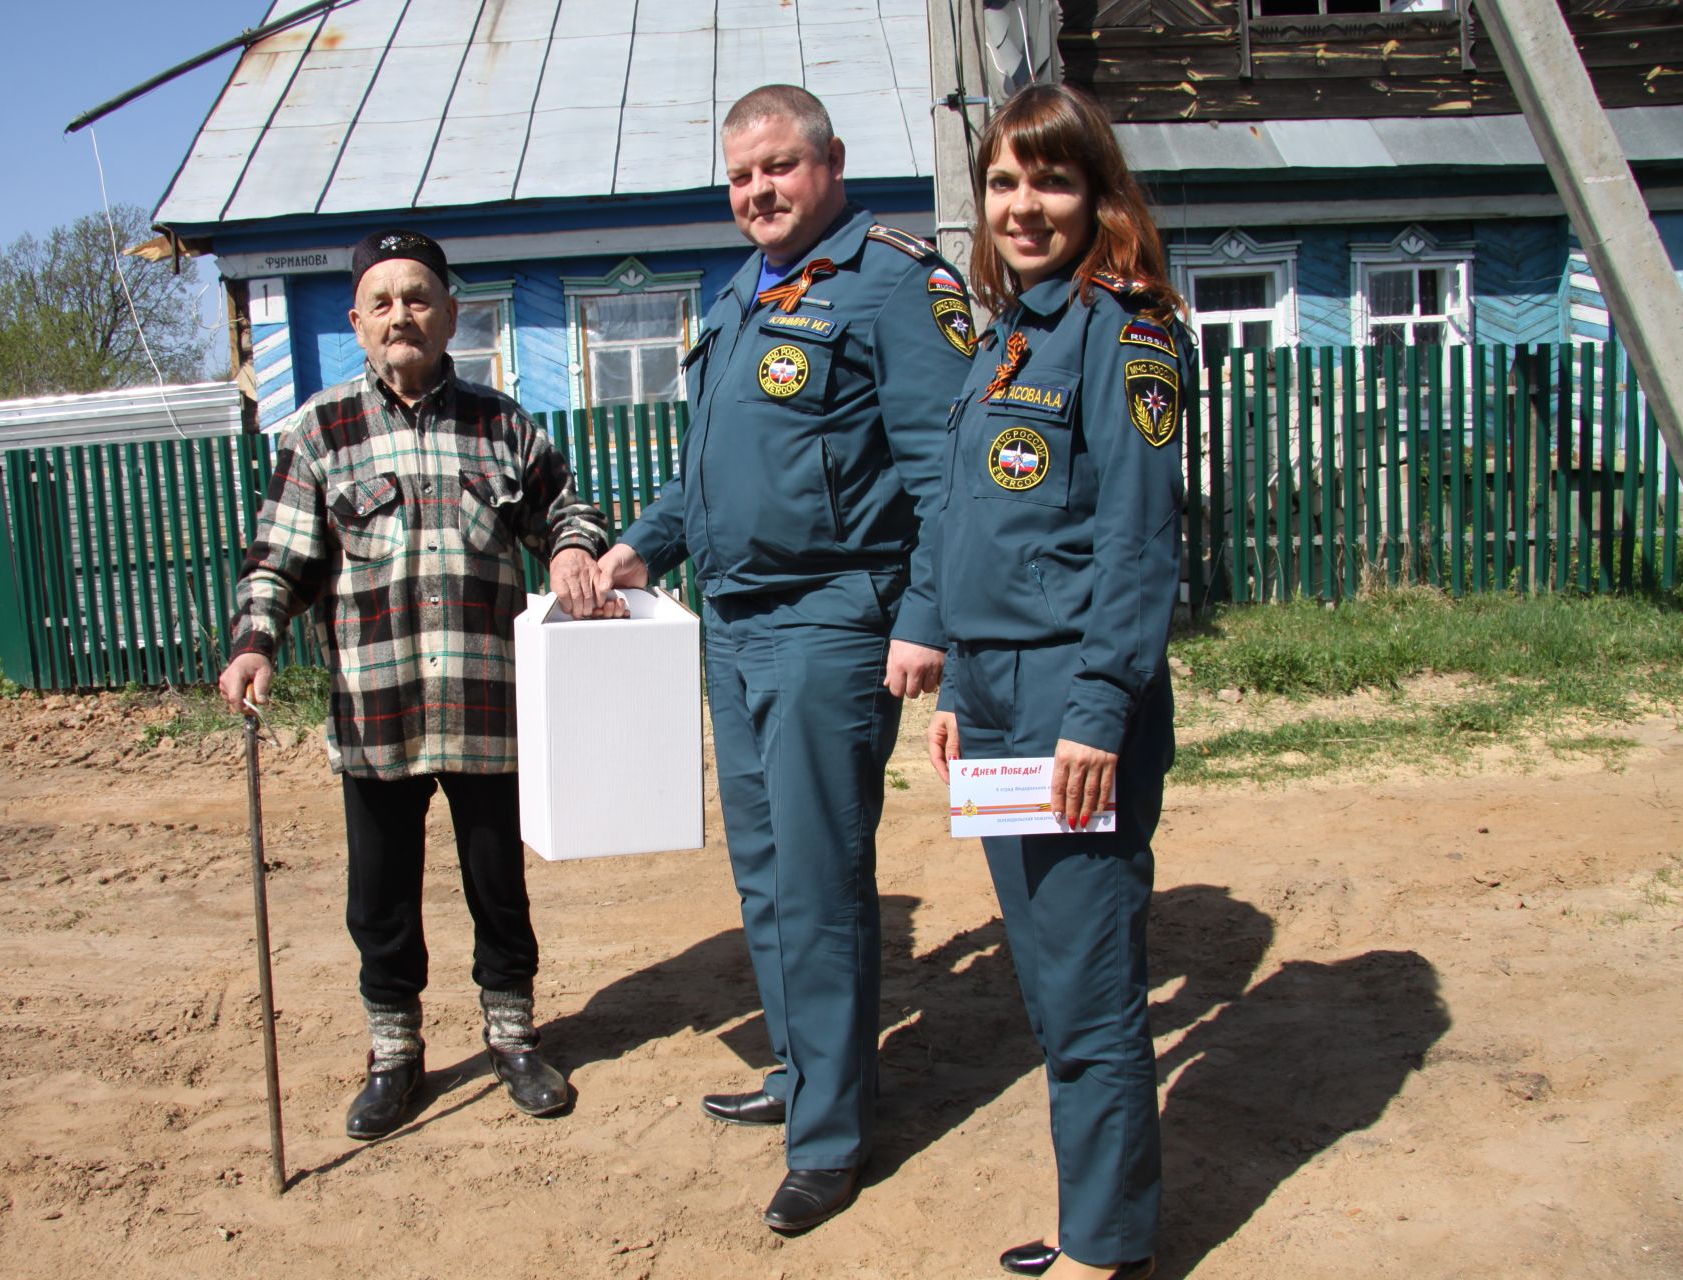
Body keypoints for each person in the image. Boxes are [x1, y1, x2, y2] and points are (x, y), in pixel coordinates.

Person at [592, 84, 976, 1232]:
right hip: (738, 625)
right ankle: (808, 1071)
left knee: (817, 881)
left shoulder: (896, 283)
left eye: (780, 166)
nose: (759, 189)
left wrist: (927, 617)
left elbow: (947, 471)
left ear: (831, 164)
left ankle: (833, 1137)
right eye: (742, 174)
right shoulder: (738, 296)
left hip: (832, 622)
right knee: (765, 877)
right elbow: (703, 474)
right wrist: (638, 547)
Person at [217, 228, 622, 1141]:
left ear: (449, 312)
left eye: (419, 296)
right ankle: (395, 1055)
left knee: (498, 885)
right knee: (381, 897)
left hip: (487, 708)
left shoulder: (502, 423)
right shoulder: (318, 433)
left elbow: (571, 505)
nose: (403, 313)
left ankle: (515, 1039)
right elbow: (276, 562)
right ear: (357, 320)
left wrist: (566, 545)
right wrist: (254, 643)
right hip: (377, 710)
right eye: (384, 300)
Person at [924, 83, 1191, 1280]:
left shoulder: (1125, 332)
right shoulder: (1003, 334)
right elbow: (970, 519)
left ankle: (1106, 1246)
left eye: (1052, 180)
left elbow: (1138, 547)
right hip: (989, 702)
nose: (1023, 205)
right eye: (1004, 182)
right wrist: (947, 686)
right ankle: (1099, 1213)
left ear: (1097, 194)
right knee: (1045, 974)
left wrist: (1097, 712)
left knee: (1087, 988)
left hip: (1071, 708)